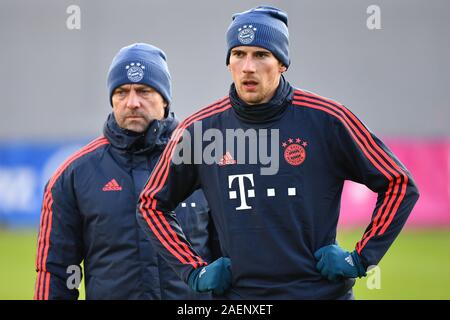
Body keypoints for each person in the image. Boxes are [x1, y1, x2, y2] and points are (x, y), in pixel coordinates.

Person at [137, 6, 420, 299]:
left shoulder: (328, 119)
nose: (248, 66)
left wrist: (360, 258)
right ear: (228, 62)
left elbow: (398, 183)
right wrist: (193, 270)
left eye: (261, 55)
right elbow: (151, 204)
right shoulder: (199, 131)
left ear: (282, 63)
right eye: (238, 54)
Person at [34, 43, 216, 300]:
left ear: (164, 99)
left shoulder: (204, 163)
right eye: (121, 92)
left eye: (143, 91)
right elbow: (55, 273)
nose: (132, 102)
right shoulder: (72, 176)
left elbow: (232, 262)